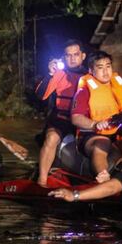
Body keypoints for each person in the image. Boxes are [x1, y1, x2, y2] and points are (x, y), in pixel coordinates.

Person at [36, 39, 88, 187]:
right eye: (68, 55)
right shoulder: (59, 74)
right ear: (64, 57)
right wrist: (50, 74)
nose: (72, 58)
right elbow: (41, 95)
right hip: (61, 118)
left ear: (83, 56)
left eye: (76, 54)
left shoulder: (90, 75)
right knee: (51, 137)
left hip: (83, 119)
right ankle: (42, 180)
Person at [71, 51, 122, 183]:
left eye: (108, 66)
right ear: (91, 70)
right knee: (103, 143)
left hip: (117, 131)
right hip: (92, 134)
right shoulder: (84, 91)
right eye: (100, 68)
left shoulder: (119, 83)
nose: (106, 72)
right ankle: (103, 177)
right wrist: (94, 124)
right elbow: (76, 117)